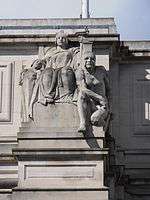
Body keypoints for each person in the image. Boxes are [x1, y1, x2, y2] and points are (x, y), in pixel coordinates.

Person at [27, 30, 79, 119]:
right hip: (52, 70)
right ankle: (48, 96)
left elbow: (77, 60)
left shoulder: (71, 51)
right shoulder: (51, 53)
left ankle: (66, 97)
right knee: (47, 72)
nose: (61, 39)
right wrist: (36, 65)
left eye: (63, 38)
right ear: (56, 40)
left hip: (65, 69)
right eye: (58, 38)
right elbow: (41, 62)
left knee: (65, 71)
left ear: (66, 40)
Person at [75, 51, 109, 132]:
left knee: (95, 119)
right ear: (82, 61)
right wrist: (99, 97)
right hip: (90, 102)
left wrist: (108, 104)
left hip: (102, 106)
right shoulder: (80, 71)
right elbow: (82, 88)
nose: (89, 60)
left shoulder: (101, 70)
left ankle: (106, 124)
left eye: (92, 59)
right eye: (86, 58)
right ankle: (82, 123)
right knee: (81, 94)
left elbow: (109, 89)